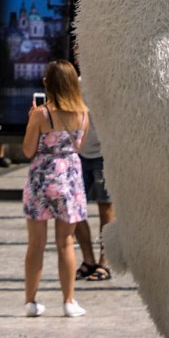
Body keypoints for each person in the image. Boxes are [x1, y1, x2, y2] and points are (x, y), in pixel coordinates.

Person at [21, 60, 90, 318]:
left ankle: (30, 301)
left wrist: (31, 120)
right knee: (66, 242)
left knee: (36, 244)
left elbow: (28, 150)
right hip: (69, 180)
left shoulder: (41, 114)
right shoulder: (83, 113)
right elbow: (78, 149)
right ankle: (69, 301)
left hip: (41, 180)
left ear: (48, 84)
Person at [75, 113, 114, 282]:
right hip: (76, 149)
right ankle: (88, 260)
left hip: (104, 150)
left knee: (105, 207)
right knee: (74, 208)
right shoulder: (72, 85)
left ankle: (105, 262)